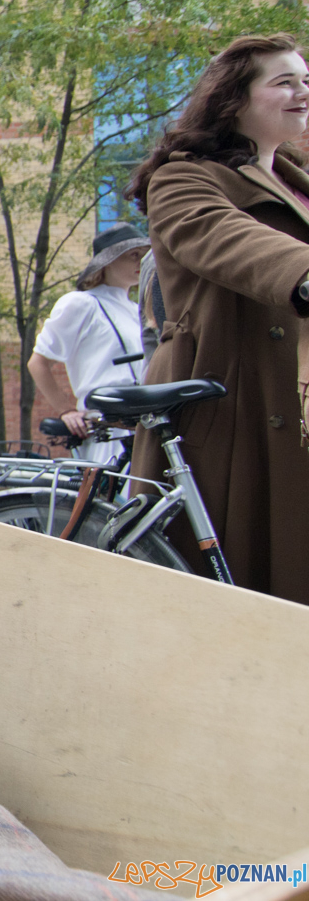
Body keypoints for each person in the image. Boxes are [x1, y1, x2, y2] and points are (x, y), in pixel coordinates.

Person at [126, 32, 309, 603]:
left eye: (306, 80)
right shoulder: (183, 178)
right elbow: (226, 238)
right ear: (233, 100)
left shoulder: (296, 180)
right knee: (240, 587)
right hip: (233, 405)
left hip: (293, 396)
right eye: (285, 82)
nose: (303, 92)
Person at [27, 223, 149, 464]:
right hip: (107, 430)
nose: (141, 262)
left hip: (139, 423)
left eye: (145, 255)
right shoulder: (82, 304)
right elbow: (38, 363)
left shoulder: (137, 310)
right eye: (134, 255)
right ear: (108, 261)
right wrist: (66, 410)